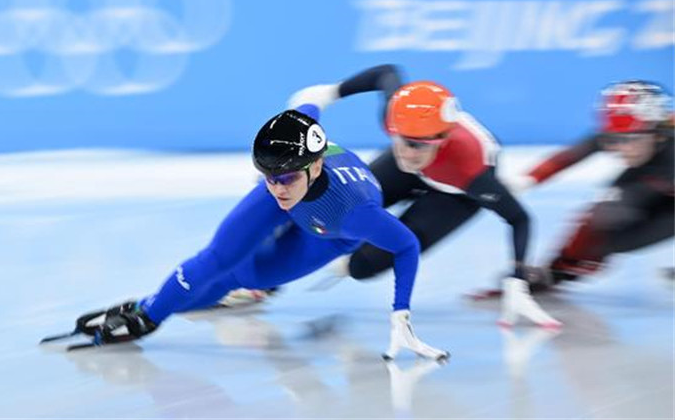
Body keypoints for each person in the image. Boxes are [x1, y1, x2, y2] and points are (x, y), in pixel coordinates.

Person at [74, 104, 449, 360]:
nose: (277, 187)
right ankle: (149, 311)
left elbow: (406, 246)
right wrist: (331, 93)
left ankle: (156, 307)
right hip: (308, 198)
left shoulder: (355, 214)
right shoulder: (286, 173)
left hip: (326, 232)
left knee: (243, 274)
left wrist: (401, 315)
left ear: (315, 167)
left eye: (283, 178)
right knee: (218, 258)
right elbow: (310, 104)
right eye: (269, 177)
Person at [287, 65, 560, 327]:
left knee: (361, 267)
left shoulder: (471, 173)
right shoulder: (399, 117)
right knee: (329, 203)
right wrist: (330, 93)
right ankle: (263, 284)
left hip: (455, 194)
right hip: (415, 171)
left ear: (441, 140)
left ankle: (352, 259)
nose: (407, 151)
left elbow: (519, 219)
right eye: (401, 139)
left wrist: (517, 281)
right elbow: (386, 73)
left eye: (416, 145)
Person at [505, 80, 674, 290]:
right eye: (614, 139)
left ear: (658, 132)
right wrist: (527, 179)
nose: (622, 148)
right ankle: (557, 271)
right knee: (602, 217)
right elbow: (570, 156)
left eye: (631, 139)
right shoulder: (633, 128)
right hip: (650, 181)